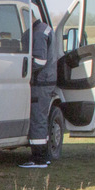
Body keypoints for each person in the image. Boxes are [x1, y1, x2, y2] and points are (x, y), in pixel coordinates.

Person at [20, 12, 58, 168]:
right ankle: (44, 157)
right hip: (46, 82)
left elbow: (39, 61)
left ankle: (39, 159)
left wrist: (20, 68)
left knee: (38, 119)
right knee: (41, 118)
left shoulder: (38, 33)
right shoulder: (45, 29)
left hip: (40, 83)